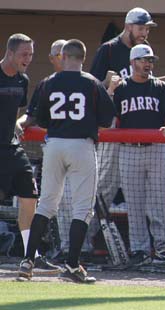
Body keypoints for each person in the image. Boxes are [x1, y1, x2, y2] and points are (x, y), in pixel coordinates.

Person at [18, 39, 115, 283]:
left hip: (54, 144)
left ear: (63, 56)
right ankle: (72, 265)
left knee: (47, 204)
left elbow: (40, 119)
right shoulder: (92, 82)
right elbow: (106, 120)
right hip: (81, 145)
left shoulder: (48, 82)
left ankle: (28, 260)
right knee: (82, 208)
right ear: (83, 57)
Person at [109, 44, 165, 268]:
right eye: (143, 60)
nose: (148, 64)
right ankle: (139, 249)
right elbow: (105, 116)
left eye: (151, 60)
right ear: (132, 63)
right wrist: (109, 91)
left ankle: (164, 248)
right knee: (135, 204)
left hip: (156, 149)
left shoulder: (160, 87)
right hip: (128, 150)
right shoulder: (121, 88)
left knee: (161, 201)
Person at [12, 37, 65, 273]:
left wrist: (18, 122)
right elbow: (26, 114)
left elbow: (24, 113)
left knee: (32, 197)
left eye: (31, 55)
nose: (28, 59)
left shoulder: (23, 80)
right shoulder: (41, 83)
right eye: (24, 54)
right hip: (6, 148)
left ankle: (33, 255)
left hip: (13, 148)